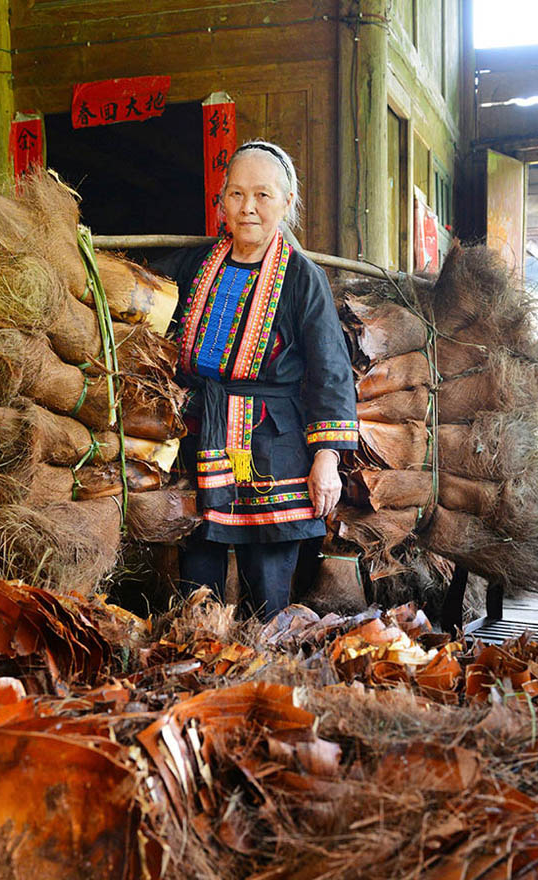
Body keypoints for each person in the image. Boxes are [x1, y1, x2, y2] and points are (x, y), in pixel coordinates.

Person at [155, 139, 358, 620]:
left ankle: (266, 665)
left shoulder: (302, 278)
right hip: (200, 438)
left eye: (263, 195)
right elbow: (145, 305)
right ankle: (200, 661)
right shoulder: (193, 266)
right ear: (221, 201)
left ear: (287, 203)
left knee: (267, 599)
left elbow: (330, 371)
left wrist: (327, 458)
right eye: (237, 194)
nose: (248, 207)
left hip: (273, 449)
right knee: (196, 587)